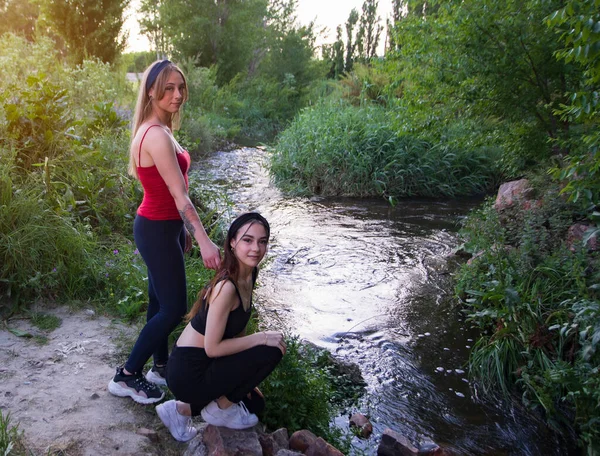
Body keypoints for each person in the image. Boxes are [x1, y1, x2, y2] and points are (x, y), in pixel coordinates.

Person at [108, 60, 221, 404]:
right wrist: (204, 240)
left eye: (181, 88)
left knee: (159, 301)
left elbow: (170, 190)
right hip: (156, 229)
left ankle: (160, 365)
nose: (177, 95)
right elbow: (179, 195)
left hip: (163, 227)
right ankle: (127, 375)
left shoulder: (158, 127)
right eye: (169, 88)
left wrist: (181, 231)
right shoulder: (155, 134)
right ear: (152, 91)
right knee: (173, 309)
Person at [156, 212, 285, 442]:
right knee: (273, 348)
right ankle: (219, 408)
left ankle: (179, 411)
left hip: (208, 364)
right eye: (248, 240)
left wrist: (244, 373)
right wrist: (261, 337)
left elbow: (237, 329)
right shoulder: (227, 287)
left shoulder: (249, 273)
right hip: (188, 373)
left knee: (255, 403)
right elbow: (212, 349)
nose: (256, 248)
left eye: (262, 241)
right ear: (232, 243)